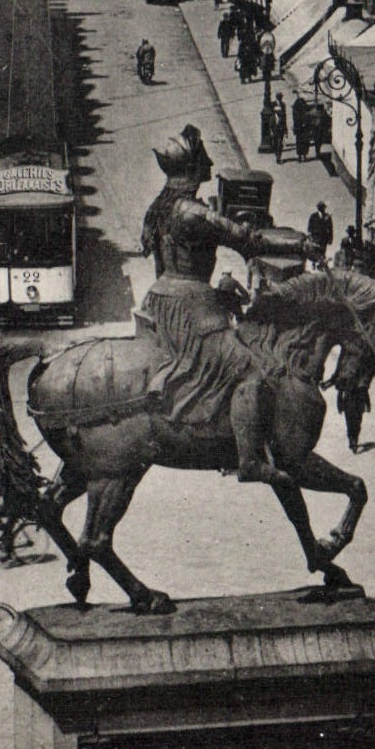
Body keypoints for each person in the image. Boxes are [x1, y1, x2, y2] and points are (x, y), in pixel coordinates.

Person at [139, 124, 292, 487]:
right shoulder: (194, 213)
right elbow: (249, 240)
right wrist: (300, 247)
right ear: (191, 169)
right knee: (249, 367)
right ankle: (250, 460)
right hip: (192, 305)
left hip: (160, 299)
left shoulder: (158, 207)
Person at [336, 383, 371, 454]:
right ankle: (352, 440)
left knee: (356, 424)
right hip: (349, 405)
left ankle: (354, 440)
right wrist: (339, 406)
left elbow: (365, 391)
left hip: (356, 405)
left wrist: (368, 404)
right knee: (351, 424)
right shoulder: (346, 378)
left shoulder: (360, 378)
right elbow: (340, 393)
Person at [292, 96, 313, 162]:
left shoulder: (296, 112)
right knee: (304, 143)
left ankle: (300, 156)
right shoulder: (304, 112)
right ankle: (303, 156)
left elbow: (295, 121)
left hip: (299, 130)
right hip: (303, 130)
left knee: (299, 143)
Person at [271, 94, 288, 164]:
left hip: (281, 127)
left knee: (280, 143)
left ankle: (278, 157)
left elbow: (285, 117)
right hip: (274, 127)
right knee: (275, 143)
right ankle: (277, 155)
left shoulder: (283, 104)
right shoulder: (273, 104)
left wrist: (286, 131)